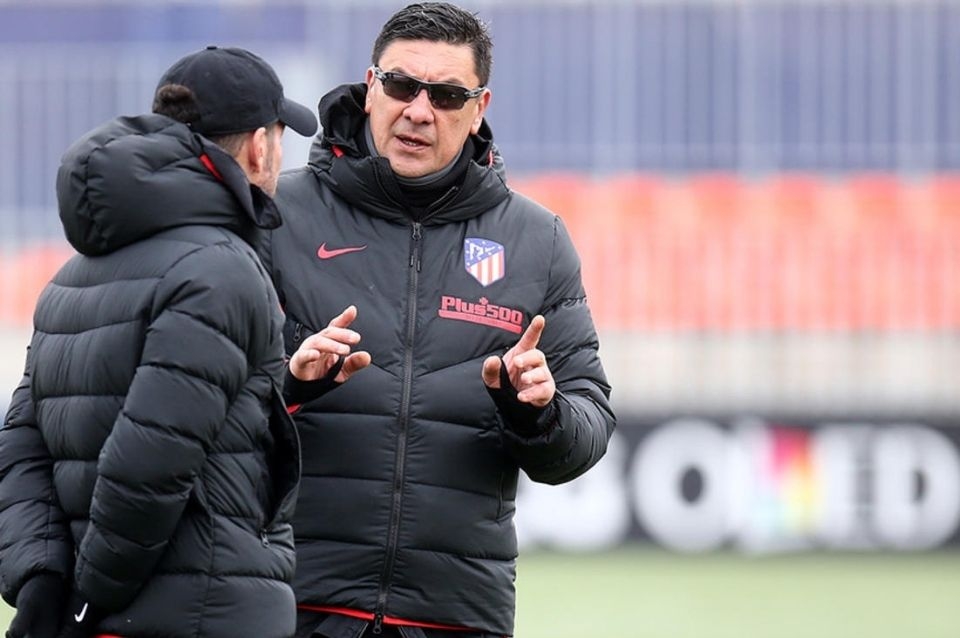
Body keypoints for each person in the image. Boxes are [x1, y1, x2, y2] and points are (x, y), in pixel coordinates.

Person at [260, 3, 617, 637]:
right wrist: (289, 383)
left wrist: (539, 412)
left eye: (447, 95)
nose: (419, 111)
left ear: (479, 109)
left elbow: (586, 429)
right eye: (402, 85)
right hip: (292, 603)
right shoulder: (276, 215)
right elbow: (210, 399)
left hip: (453, 617)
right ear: (371, 87)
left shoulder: (536, 240)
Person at [0, 46, 328, 638]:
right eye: (281, 138)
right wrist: (89, 599)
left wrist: (42, 580)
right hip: (202, 613)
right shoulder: (221, 271)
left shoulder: (71, 275)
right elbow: (149, 463)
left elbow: (23, 443)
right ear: (259, 147)